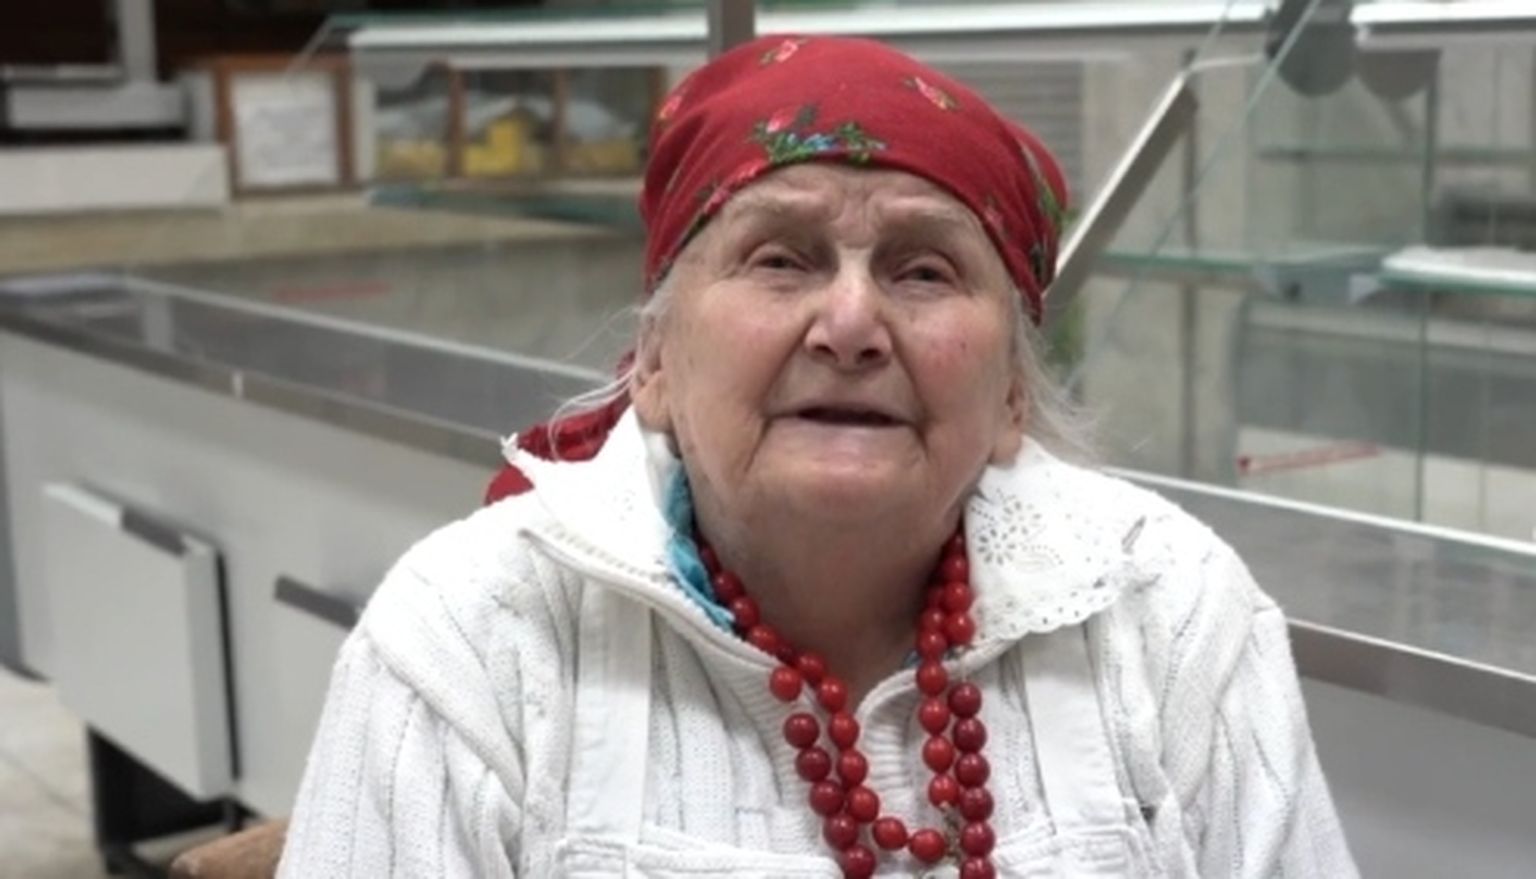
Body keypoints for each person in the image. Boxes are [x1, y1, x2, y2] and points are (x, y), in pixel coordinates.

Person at [279, 35, 1355, 878]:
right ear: (655, 363)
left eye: (924, 271)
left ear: (1013, 394)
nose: (850, 324)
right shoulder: (474, 643)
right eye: (780, 259)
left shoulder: (1172, 618)